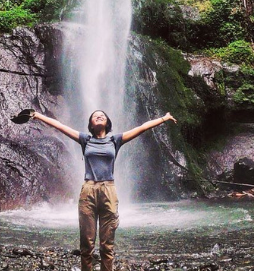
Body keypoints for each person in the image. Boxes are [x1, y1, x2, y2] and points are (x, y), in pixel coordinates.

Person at [29, 109, 177, 271]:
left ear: (107, 122)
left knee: (107, 244)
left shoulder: (115, 140)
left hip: (109, 190)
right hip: (88, 190)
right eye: (94, 116)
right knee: (86, 243)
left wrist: (164, 118)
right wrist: (37, 115)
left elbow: (142, 128)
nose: (98, 116)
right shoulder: (85, 139)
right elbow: (60, 126)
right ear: (91, 124)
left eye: (102, 115)